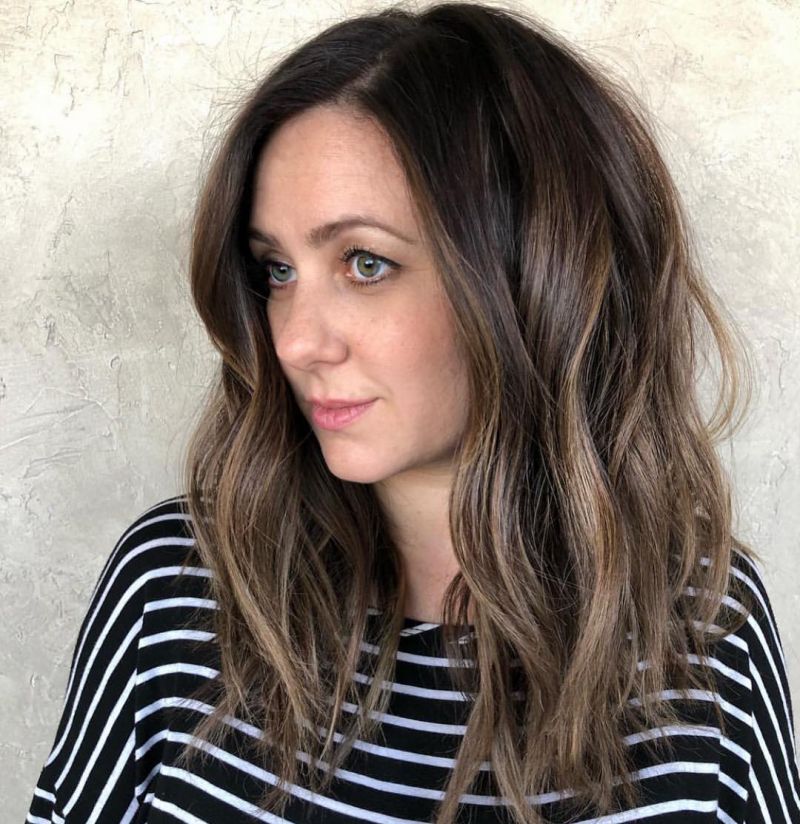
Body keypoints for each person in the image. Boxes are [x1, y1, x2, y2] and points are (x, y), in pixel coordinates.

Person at [25, 3, 800, 823]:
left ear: (536, 276)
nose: (294, 341)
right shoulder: (177, 588)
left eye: (365, 263)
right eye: (277, 270)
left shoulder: (703, 628)